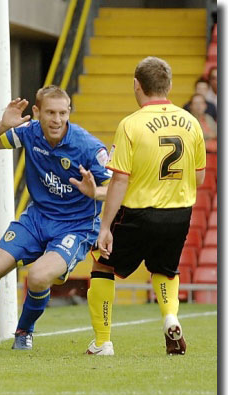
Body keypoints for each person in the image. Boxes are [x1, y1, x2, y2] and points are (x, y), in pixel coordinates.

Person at [0, 85, 112, 350]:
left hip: (76, 227)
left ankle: (24, 331)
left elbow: (118, 189)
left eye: (62, 113)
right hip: (36, 219)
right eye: (50, 112)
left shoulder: (88, 147)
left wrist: (96, 192)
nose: (57, 120)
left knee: (36, 277)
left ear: (69, 112)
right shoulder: (29, 132)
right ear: (37, 112)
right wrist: (2, 125)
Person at [87, 56, 206, 356]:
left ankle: (102, 342)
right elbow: (200, 177)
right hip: (179, 214)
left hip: (138, 212)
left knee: (103, 264)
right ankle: (170, 317)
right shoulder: (191, 122)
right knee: (165, 269)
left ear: (137, 85)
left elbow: (119, 182)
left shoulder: (131, 124)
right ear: (169, 86)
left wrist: (105, 226)